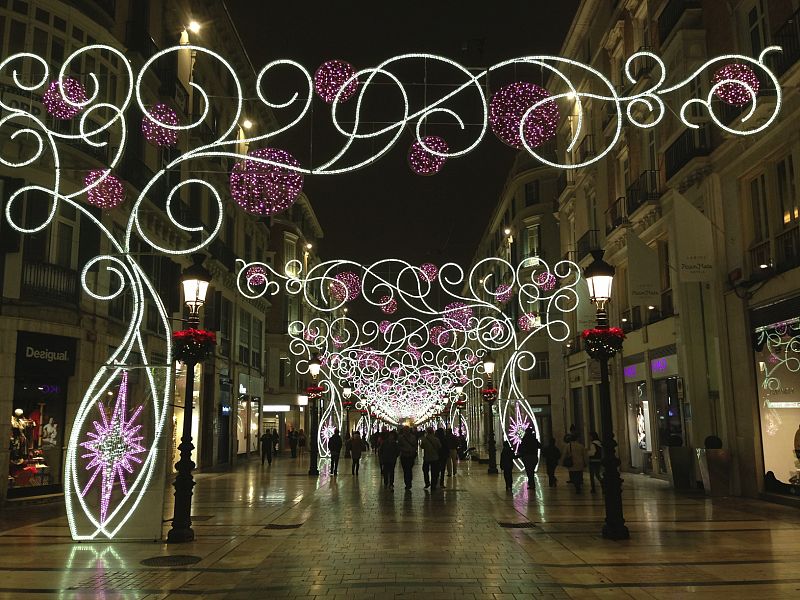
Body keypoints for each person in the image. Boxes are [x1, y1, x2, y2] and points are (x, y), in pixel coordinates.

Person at [398, 425, 418, 489]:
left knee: (408, 469)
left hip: (409, 456)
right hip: (405, 455)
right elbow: (399, 446)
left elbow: (415, 446)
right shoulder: (401, 438)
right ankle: (408, 482)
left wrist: (412, 450)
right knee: (407, 470)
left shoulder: (412, 437)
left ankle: (408, 482)